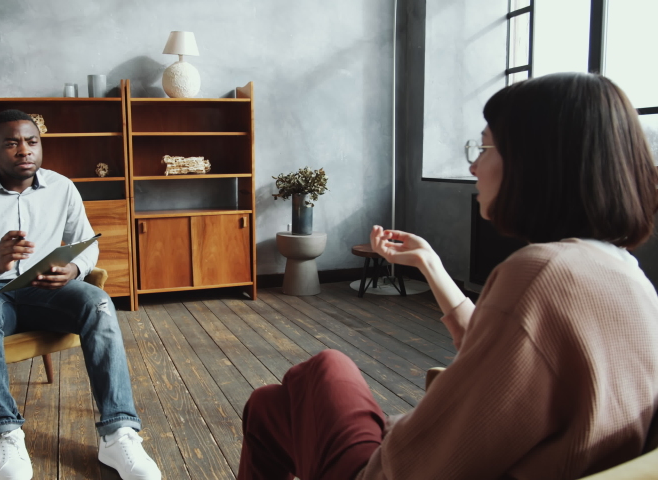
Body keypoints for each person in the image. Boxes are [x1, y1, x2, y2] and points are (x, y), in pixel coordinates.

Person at [237, 72, 658, 479]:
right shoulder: (627, 276)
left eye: (486, 148)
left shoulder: (541, 274)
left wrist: (394, 430)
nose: (474, 166)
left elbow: (425, 461)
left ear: (535, 163)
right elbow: (507, 355)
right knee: (268, 406)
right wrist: (429, 264)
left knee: (326, 367)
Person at [0, 109, 161, 480]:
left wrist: (74, 269)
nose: (25, 151)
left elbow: (86, 244)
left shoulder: (62, 187)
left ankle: (118, 433)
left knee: (98, 303)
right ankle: (6, 431)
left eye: (32, 142)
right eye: (12, 143)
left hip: (46, 292)